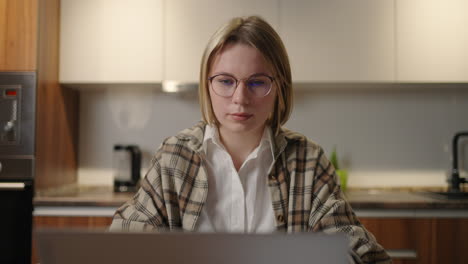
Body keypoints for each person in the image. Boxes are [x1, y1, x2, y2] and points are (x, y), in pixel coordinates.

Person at [110, 16, 391, 263]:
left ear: (279, 87)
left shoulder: (308, 160)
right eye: (225, 81)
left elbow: (356, 248)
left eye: (257, 82)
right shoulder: (175, 157)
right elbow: (123, 237)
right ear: (206, 86)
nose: (240, 99)